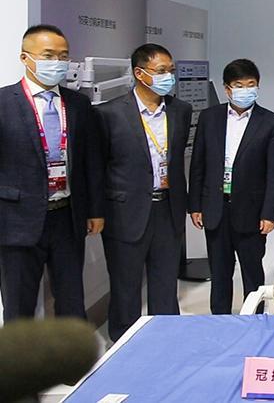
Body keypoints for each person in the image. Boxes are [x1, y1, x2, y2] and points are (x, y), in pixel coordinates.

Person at [0, 25, 104, 321]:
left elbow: (90, 161)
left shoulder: (78, 104)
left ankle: (72, 351)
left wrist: (95, 210)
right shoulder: (3, 103)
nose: (57, 62)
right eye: (48, 55)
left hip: (67, 217)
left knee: (71, 301)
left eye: (63, 56)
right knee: (19, 306)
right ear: (25, 57)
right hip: (16, 220)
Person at [96, 43, 192, 341]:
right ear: (140, 73)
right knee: (125, 283)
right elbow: (98, 167)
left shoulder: (181, 110)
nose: (168, 77)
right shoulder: (108, 113)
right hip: (125, 211)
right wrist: (96, 211)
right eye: (161, 71)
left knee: (165, 281)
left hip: (168, 207)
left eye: (171, 71)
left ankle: (166, 339)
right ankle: (124, 342)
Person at [189, 59, 274, 314]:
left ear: (258, 86)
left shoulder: (271, 122)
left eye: (250, 84)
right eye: (238, 85)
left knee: (252, 271)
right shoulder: (210, 118)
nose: (245, 90)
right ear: (227, 88)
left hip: (252, 211)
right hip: (215, 207)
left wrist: (270, 213)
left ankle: (255, 320)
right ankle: (220, 321)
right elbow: (198, 164)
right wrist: (195, 205)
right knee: (219, 272)